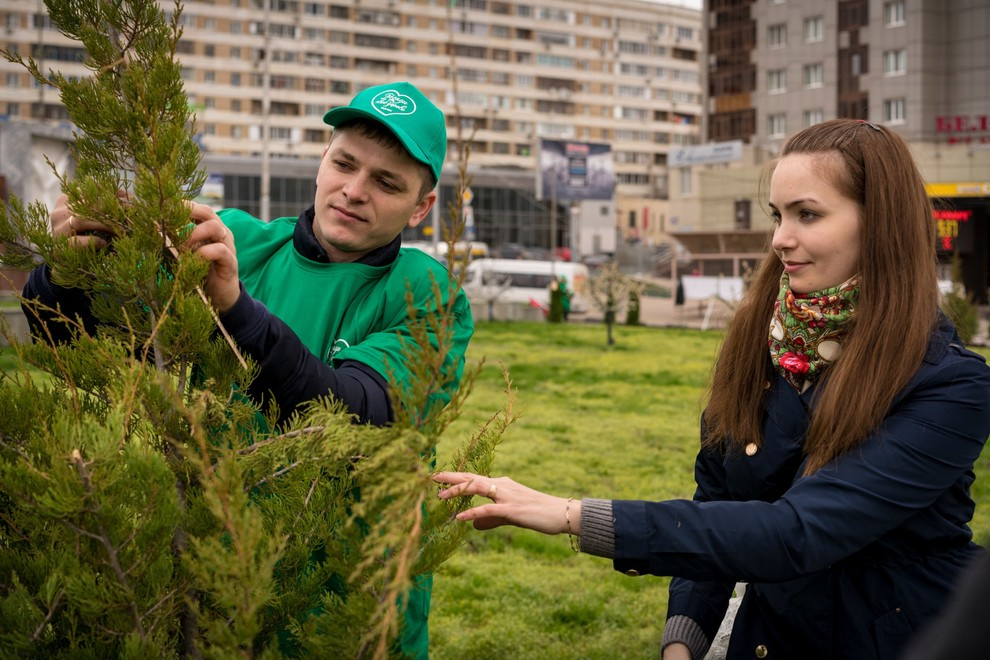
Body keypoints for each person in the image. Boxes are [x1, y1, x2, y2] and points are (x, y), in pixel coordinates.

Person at [435, 119, 990, 660]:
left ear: (882, 225)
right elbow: (721, 504)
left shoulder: (949, 385)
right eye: (778, 215)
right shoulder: (763, 343)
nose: (780, 239)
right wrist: (684, 639)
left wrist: (574, 514)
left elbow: (796, 533)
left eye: (808, 214)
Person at [22, 81, 474, 658]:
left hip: (352, 615)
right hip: (210, 596)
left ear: (421, 206)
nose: (354, 191)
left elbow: (353, 415)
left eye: (387, 182)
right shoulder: (239, 243)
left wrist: (237, 313)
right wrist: (65, 273)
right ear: (322, 159)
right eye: (345, 163)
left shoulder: (426, 294)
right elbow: (74, 340)